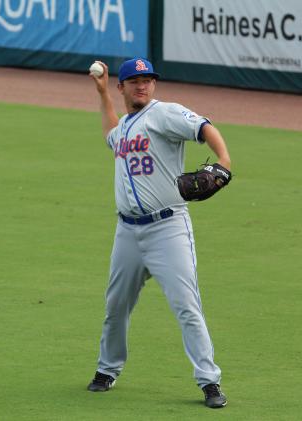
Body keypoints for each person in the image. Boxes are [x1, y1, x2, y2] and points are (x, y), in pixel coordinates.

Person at [86, 57, 232, 409]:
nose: (143, 85)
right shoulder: (124, 127)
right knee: (115, 307)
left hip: (168, 229)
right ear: (123, 86)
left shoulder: (164, 113)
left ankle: (209, 382)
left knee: (186, 306)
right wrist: (103, 93)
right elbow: (110, 133)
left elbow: (204, 128)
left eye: (148, 79)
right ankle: (107, 370)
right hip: (127, 234)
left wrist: (224, 162)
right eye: (135, 81)